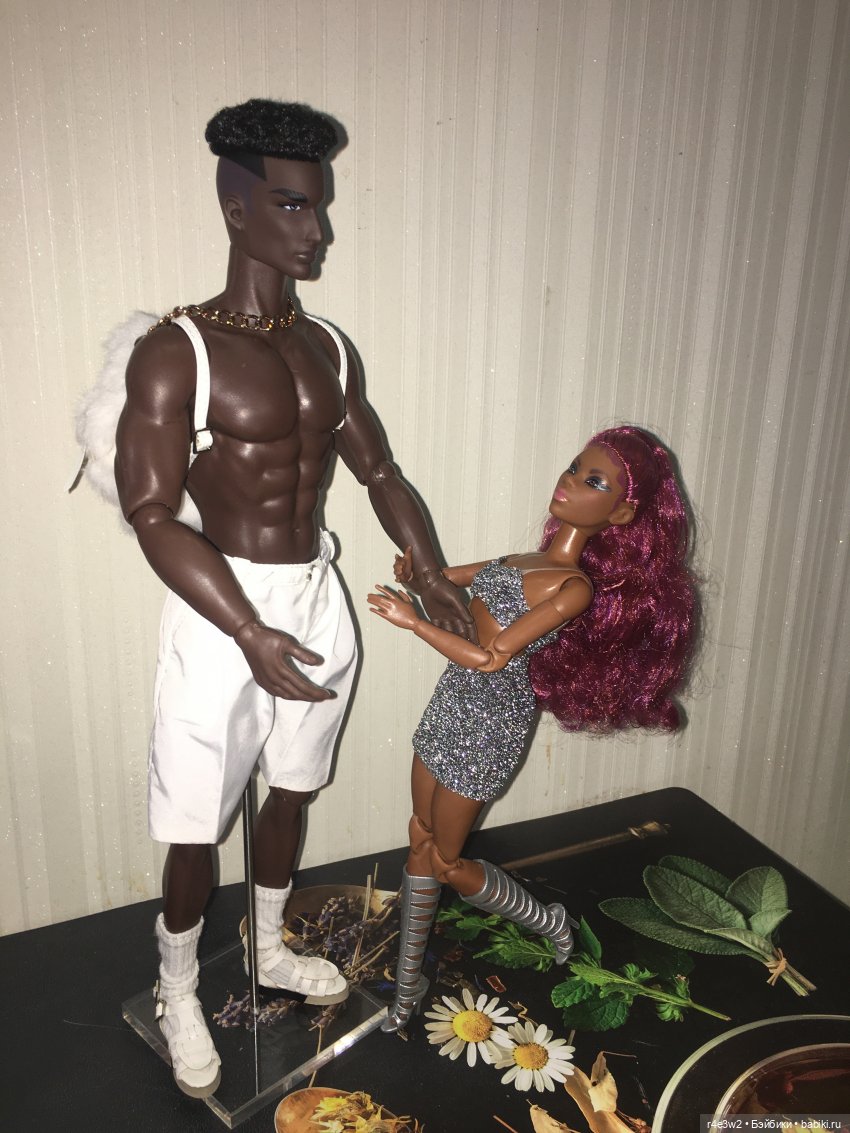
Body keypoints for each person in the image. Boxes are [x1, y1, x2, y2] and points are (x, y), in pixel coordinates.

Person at [114, 99, 473, 1098]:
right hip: (220, 605)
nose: (317, 230)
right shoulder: (178, 350)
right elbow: (150, 511)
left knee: (293, 787)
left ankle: (267, 944)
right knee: (199, 816)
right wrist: (242, 625)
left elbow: (378, 468)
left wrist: (427, 567)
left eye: (318, 205)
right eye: (292, 205)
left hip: (315, 594)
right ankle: (178, 985)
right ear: (237, 209)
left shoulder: (328, 346)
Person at [367, 425, 697, 1032]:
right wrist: (415, 574)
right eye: (574, 467)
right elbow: (443, 577)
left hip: (491, 721)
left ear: (622, 513)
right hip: (450, 704)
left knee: (446, 859)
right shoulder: (519, 561)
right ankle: (407, 985)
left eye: (593, 481)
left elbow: (491, 657)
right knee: (418, 832)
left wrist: (414, 623)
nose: (569, 482)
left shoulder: (573, 588)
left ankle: (548, 922)